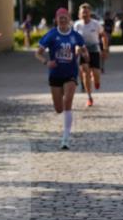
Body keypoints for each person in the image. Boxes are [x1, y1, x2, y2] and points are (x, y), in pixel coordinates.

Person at [37, 8, 88, 149]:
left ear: (69, 18)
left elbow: (83, 49)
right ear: (56, 19)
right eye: (60, 18)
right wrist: (46, 62)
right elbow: (38, 53)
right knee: (59, 108)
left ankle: (65, 137)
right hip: (55, 74)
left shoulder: (75, 35)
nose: (63, 20)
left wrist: (84, 54)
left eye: (65, 17)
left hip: (70, 73)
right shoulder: (51, 35)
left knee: (68, 101)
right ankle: (65, 126)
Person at [74, 3, 104, 107]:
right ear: (79, 14)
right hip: (83, 50)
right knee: (85, 72)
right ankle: (89, 97)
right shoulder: (77, 25)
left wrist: (104, 48)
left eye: (86, 12)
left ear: (90, 13)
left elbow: (103, 35)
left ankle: (96, 81)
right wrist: (76, 47)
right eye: (83, 12)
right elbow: (74, 39)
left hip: (94, 49)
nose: (85, 14)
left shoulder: (96, 24)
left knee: (96, 73)